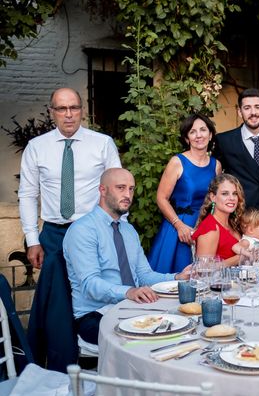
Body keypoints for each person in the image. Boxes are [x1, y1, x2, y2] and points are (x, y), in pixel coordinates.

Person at [18, 87, 121, 371]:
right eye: (61, 109)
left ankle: (97, 362)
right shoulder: (37, 147)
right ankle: (56, 368)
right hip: (53, 233)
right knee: (56, 301)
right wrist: (32, 239)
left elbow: (116, 188)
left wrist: (117, 233)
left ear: (82, 110)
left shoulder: (102, 144)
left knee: (91, 297)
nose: (68, 115)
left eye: (74, 108)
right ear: (52, 111)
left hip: (91, 233)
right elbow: (27, 194)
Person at [63, 168, 191, 345]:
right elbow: (90, 284)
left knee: (183, 326)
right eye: (121, 188)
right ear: (103, 190)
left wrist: (177, 278)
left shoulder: (128, 231)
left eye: (131, 189)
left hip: (132, 307)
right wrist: (129, 292)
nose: (128, 195)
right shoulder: (82, 230)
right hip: (94, 315)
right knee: (154, 340)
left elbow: (145, 275)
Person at [147, 114, 220, 273]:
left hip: (205, 227)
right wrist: (179, 225)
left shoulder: (216, 165)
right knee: (177, 277)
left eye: (203, 130)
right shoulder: (177, 162)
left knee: (205, 276)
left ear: (211, 134)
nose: (198, 135)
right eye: (192, 132)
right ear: (187, 138)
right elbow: (161, 198)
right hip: (179, 227)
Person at [214, 88, 259, 234]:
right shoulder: (224, 140)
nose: (253, 112)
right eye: (247, 108)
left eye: (257, 107)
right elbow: (217, 178)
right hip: (238, 218)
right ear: (240, 112)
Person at [191, 174, 245, 265]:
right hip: (219, 279)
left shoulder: (233, 223)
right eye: (225, 194)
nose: (232, 198)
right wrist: (242, 257)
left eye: (235, 194)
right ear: (213, 197)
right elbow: (203, 271)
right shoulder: (210, 228)